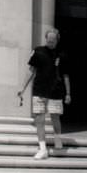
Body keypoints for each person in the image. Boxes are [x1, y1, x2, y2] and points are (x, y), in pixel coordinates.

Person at [17, 28, 71, 160]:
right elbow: (31, 71)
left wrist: (68, 93)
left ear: (57, 40)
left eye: (53, 40)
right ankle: (43, 149)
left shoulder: (62, 54)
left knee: (55, 118)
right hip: (39, 90)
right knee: (39, 120)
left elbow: (66, 76)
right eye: (48, 39)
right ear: (46, 39)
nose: (50, 41)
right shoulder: (38, 51)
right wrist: (23, 88)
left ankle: (58, 140)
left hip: (56, 91)